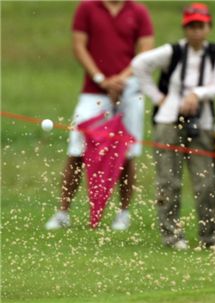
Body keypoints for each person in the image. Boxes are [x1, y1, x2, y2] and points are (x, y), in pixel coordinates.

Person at [45, 0, 154, 231]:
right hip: (93, 91)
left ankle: (123, 213)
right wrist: (101, 79)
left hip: (129, 92)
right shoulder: (87, 8)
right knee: (76, 151)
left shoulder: (138, 11)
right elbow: (79, 46)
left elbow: (146, 51)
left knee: (126, 155)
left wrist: (121, 79)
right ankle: (63, 211)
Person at [131, 3, 215, 250]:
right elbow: (139, 65)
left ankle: (211, 235)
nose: (196, 32)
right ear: (185, 28)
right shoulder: (172, 51)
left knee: (206, 181)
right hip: (169, 120)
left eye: (201, 26)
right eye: (192, 26)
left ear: (209, 28)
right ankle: (172, 235)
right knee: (168, 181)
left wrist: (196, 94)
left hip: (202, 121)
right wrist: (159, 98)